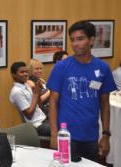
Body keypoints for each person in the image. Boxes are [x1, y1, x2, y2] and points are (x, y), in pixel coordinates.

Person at [47, 20, 117, 162]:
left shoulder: (103, 68)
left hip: (91, 136)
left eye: (80, 39)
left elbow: (105, 104)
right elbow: (53, 102)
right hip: (66, 136)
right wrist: (54, 134)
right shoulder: (61, 67)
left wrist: (105, 135)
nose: (75, 44)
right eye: (72, 40)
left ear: (91, 40)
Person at [9, 61, 50, 136]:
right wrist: (35, 94)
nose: (25, 74)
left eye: (26, 72)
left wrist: (38, 90)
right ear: (14, 75)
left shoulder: (26, 85)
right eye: (22, 72)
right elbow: (29, 115)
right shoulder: (17, 91)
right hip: (36, 125)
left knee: (68, 123)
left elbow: (39, 105)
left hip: (44, 118)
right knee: (61, 130)